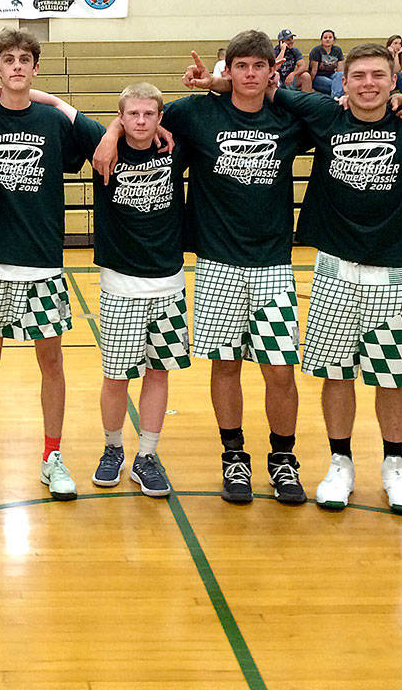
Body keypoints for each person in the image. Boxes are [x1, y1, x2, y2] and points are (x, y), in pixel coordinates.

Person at [271, 44, 402, 513]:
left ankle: (394, 466)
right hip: (333, 270)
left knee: (391, 376)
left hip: (393, 272)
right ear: (343, 80)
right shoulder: (324, 113)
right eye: (358, 74)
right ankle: (340, 463)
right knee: (336, 373)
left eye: (378, 75)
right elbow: (259, 89)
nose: (367, 83)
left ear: (393, 78)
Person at [143, 30, 311, 506]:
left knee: (280, 369)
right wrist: (114, 133)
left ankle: (282, 459)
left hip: (274, 264)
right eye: (241, 67)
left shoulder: (288, 117)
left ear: (270, 71)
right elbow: (140, 112)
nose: (251, 74)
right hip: (217, 263)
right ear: (229, 69)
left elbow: (333, 115)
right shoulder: (195, 114)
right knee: (226, 365)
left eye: (260, 66)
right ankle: (233, 456)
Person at [0, 27, 103, 506]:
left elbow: (100, 142)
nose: (16, 66)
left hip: (43, 265)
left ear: (34, 67)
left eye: (24, 60)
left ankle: (53, 457)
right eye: (8, 59)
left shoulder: (52, 121)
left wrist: (52, 99)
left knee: (52, 363)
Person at [82, 83, 188, 498]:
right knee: (116, 376)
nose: (141, 122)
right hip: (120, 283)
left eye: (149, 115)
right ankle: (112, 449)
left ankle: (147, 455)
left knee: (158, 372)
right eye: (133, 115)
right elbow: (55, 102)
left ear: (160, 118)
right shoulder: (103, 150)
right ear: (121, 116)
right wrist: (109, 133)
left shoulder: (175, 148)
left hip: (168, 282)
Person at [308, 29, 341, 94]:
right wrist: (309, 86)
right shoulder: (316, 51)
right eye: (325, 38)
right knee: (333, 84)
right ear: (322, 40)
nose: (328, 39)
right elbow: (313, 71)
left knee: (340, 75)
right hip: (318, 77)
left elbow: (340, 69)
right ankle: (336, 98)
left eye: (330, 37)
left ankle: (336, 96)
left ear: (333, 40)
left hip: (331, 75)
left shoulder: (337, 50)